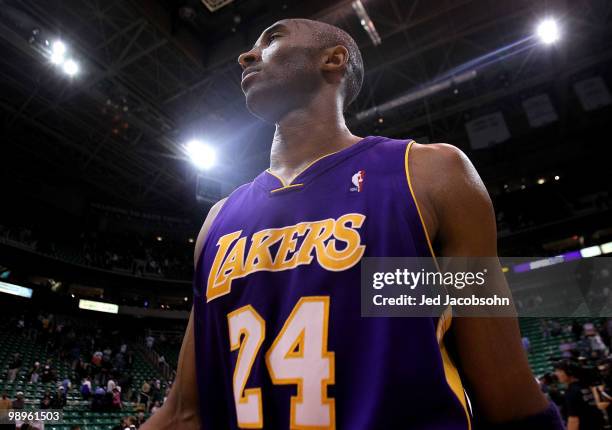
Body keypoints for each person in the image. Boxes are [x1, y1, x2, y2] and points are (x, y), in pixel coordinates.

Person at [142, 18, 562, 430]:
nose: (245, 54)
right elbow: (184, 412)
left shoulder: (431, 174)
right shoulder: (218, 220)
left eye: (271, 38)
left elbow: (508, 395)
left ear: (334, 59)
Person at [554, 360, 605, 429]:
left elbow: (574, 420)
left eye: (559, 371)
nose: (556, 374)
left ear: (569, 372)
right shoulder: (584, 385)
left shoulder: (571, 392)